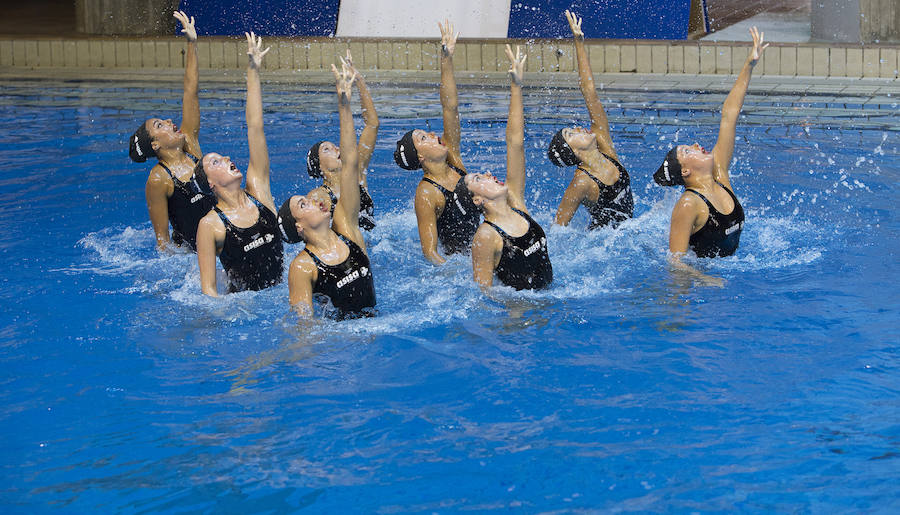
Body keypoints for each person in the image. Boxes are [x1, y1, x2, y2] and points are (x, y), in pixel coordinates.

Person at [655, 27, 768, 279]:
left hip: (730, 277)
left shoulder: (720, 176)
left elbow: (729, 115)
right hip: (707, 287)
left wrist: (750, 63)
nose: (696, 145)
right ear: (685, 171)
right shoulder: (688, 204)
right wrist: (706, 279)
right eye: (687, 150)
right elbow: (675, 263)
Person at [280, 58, 376, 319]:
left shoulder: (347, 229)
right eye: (303, 205)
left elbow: (358, 147)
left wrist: (346, 100)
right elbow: (305, 328)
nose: (335, 149)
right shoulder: (302, 265)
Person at [195, 33, 283, 295]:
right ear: (210, 182)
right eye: (216, 162)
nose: (227, 159)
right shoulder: (211, 225)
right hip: (243, 309)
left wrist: (253, 71)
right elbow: (209, 290)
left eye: (224, 157)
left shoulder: (259, 192)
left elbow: (255, 128)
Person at [393, 20, 480, 264]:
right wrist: (460, 274)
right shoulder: (427, 194)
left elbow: (450, 108)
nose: (433, 135)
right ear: (420, 157)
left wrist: (447, 59)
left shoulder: (454, 160)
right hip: (460, 262)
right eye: (424, 138)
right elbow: (430, 252)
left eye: (427, 133)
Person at [468, 45, 553, 291]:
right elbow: (482, 295)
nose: (486, 173)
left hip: (549, 307)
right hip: (519, 319)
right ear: (476, 200)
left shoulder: (516, 204)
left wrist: (516, 86)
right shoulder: (486, 237)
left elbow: (515, 142)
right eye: (477, 178)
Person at [130, 11, 216, 251]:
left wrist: (192, 43)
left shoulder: (191, 146)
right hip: (192, 254)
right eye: (160, 125)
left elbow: (190, 91)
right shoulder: (159, 179)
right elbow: (163, 241)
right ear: (155, 145)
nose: (169, 121)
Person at [550, 10, 633, 230]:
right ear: (574, 152)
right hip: (602, 245)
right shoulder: (582, 182)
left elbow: (590, 92)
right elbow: (558, 228)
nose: (578, 127)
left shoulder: (606, 150)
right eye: (571, 133)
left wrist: (578, 42)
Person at [305, 50, 379, 232]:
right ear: (320, 167)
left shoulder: (358, 171)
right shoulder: (319, 196)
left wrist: (359, 81)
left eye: (334, 146)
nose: (337, 148)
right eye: (326, 150)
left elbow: (372, 124)